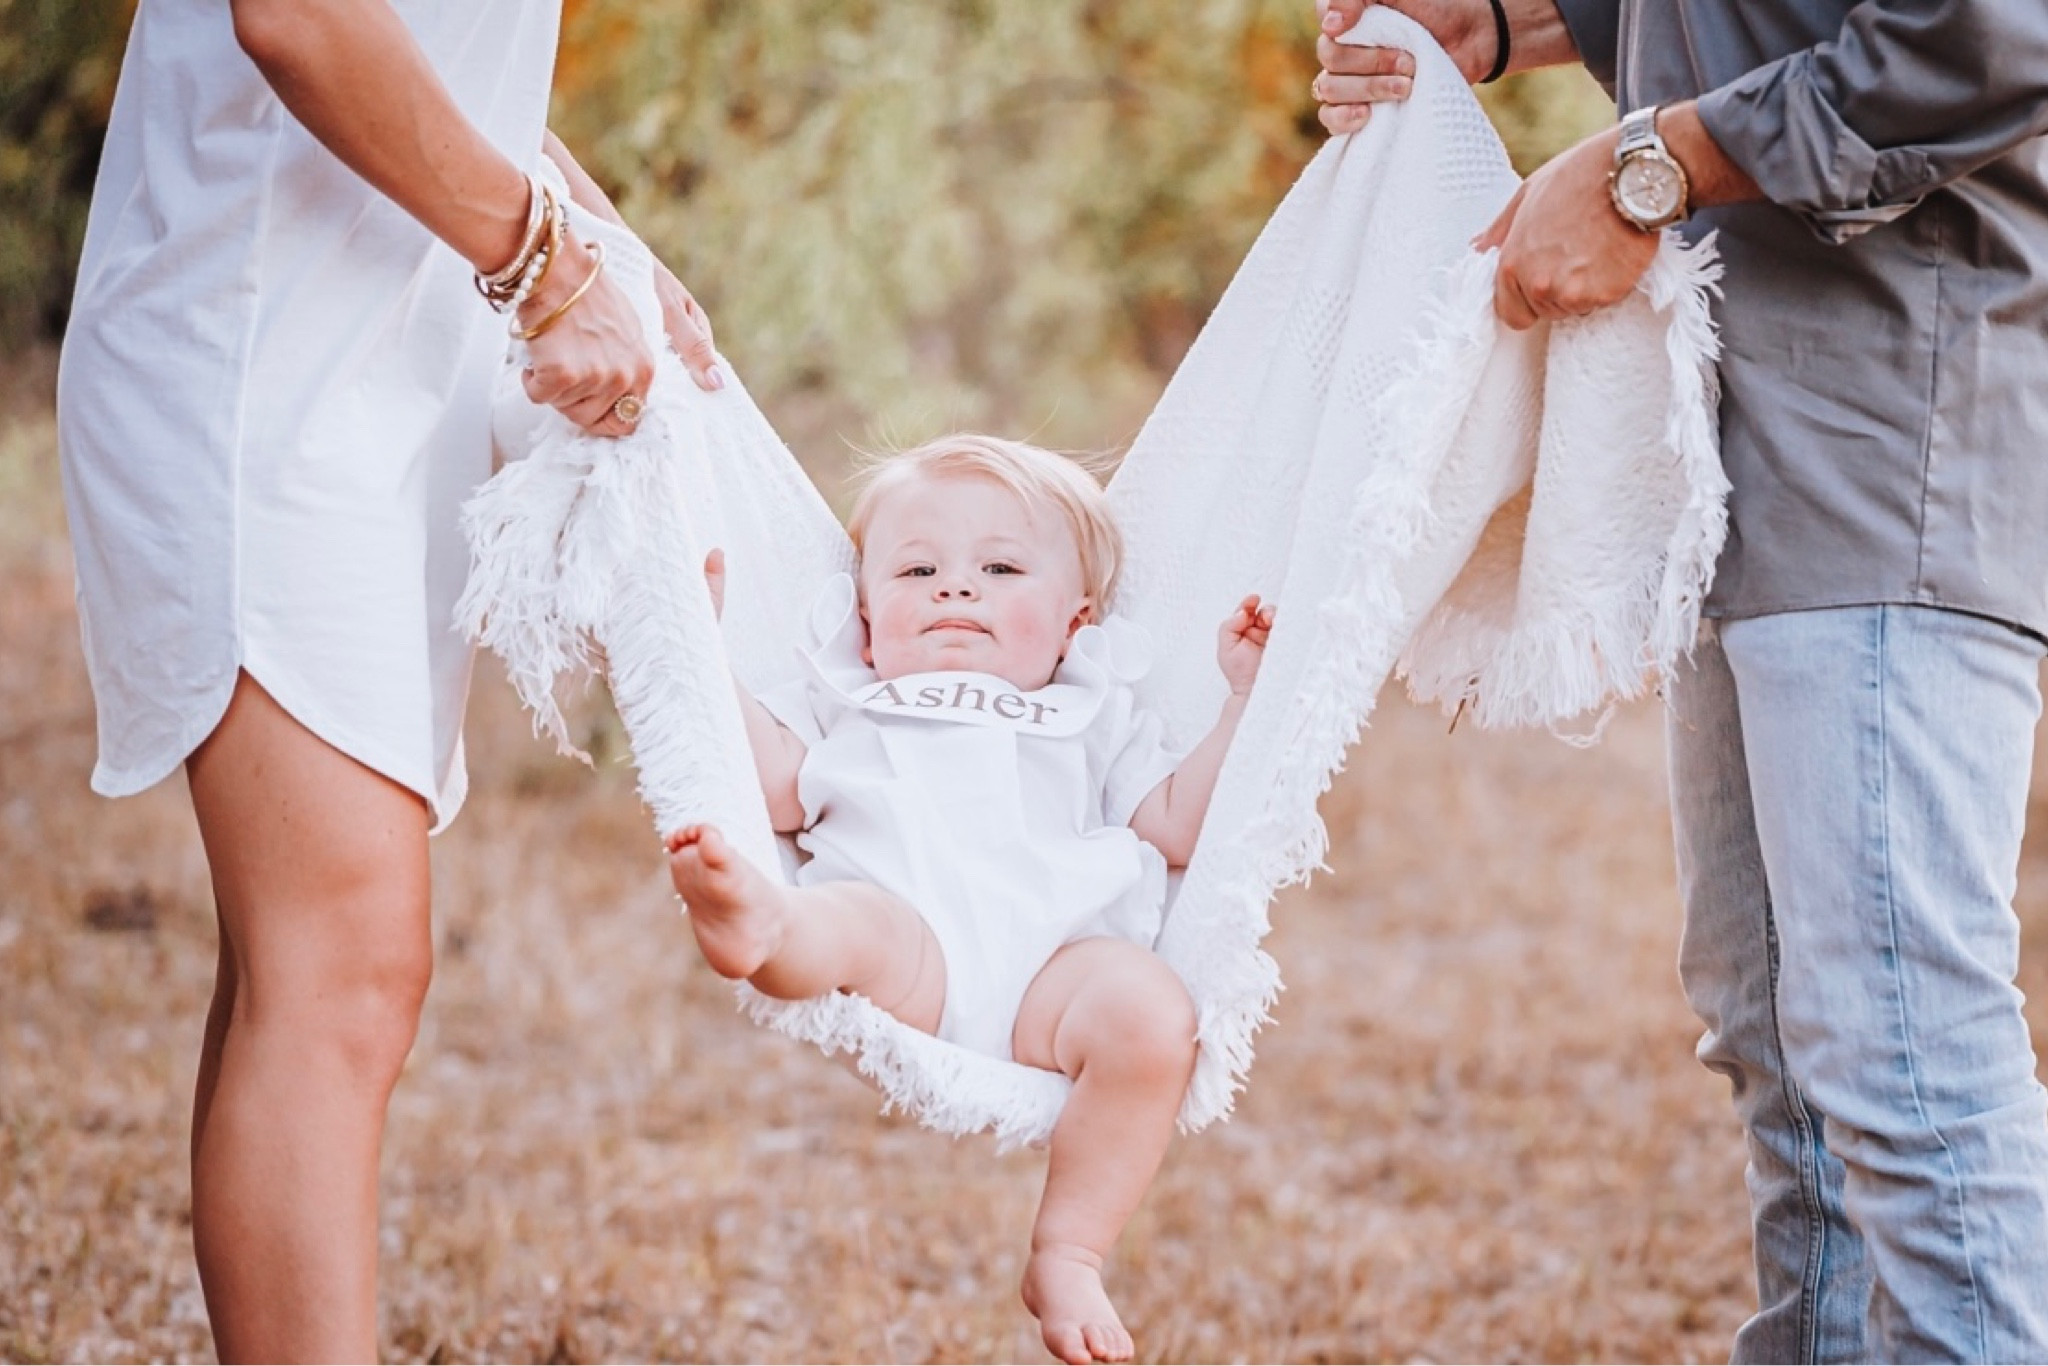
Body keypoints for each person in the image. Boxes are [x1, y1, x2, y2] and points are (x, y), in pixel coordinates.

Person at [1313, 0, 2048, 1360]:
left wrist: (1648, 166)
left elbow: (1992, 33)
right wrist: (1497, 20)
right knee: (1783, 1051)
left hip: (1893, 435)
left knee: (1900, 1048)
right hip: (1728, 438)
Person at [55, 1, 721, 1358]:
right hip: (253, 371)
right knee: (343, 971)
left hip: (369, 365)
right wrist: (541, 263)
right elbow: (299, 15)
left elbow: (442, 57)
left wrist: (594, 242)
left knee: (300, 969)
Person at [664, 434, 1273, 1366]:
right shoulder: (850, 696)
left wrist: (1244, 705)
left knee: (1154, 1017)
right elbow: (780, 788)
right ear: (867, 621)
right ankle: (761, 925)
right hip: (909, 938)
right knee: (843, 925)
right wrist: (700, 655)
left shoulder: (1096, 709)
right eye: (917, 569)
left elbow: (1179, 824)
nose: (955, 588)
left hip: (1057, 971)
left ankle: (1070, 1249)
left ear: (1076, 625)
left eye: (998, 566)